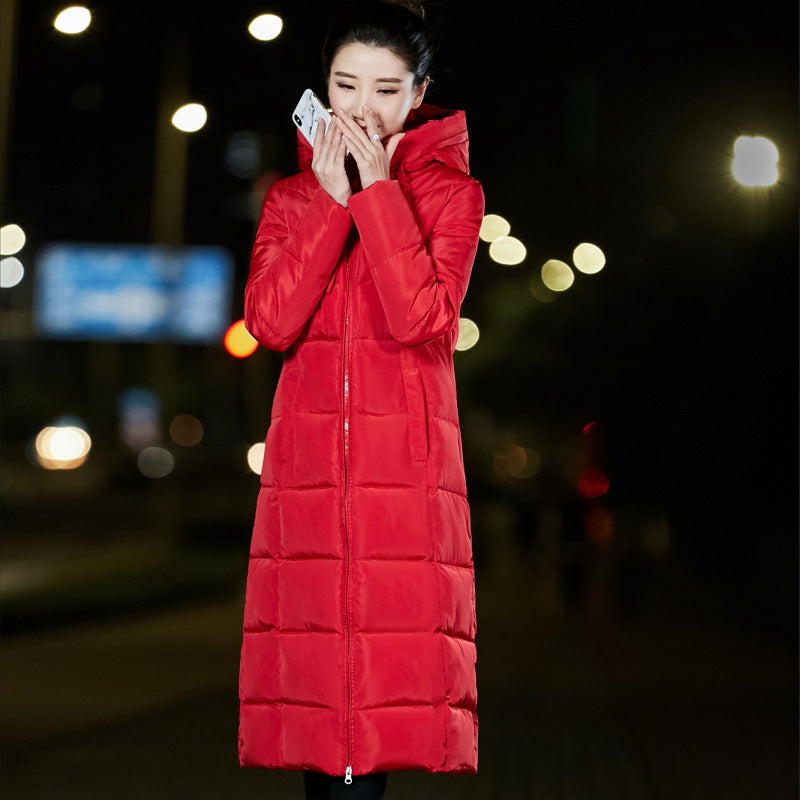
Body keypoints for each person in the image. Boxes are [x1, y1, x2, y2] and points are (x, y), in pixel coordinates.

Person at [237, 1, 483, 797]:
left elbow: (423, 320)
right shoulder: (289, 198)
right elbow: (270, 322)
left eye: (386, 90)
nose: (363, 109)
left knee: (373, 732)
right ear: (325, 88)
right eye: (346, 85)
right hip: (306, 486)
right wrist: (330, 199)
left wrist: (377, 194)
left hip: (403, 484)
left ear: (420, 95)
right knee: (317, 726)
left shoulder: (453, 196)